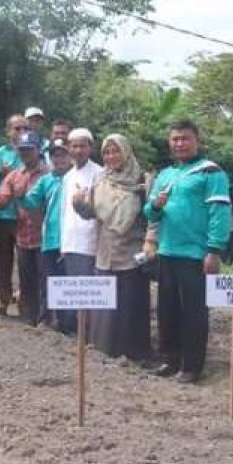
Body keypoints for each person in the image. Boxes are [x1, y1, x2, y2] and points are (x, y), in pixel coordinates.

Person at [144, 120, 231, 383]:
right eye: (175, 139)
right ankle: (170, 360)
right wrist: (156, 206)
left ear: (197, 140)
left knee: (194, 311)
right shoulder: (165, 175)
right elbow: (148, 213)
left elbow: (219, 214)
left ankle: (192, 367)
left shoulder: (211, 173)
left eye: (185, 138)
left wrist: (214, 251)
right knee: (167, 310)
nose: (179, 143)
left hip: (196, 255)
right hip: (167, 252)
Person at [72, 134, 151, 361]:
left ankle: (134, 354)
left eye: (116, 151)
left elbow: (153, 217)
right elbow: (91, 213)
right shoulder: (100, 182)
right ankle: (104, 352)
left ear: (126, 152)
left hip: (132, 254)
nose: (111, 156)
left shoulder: (142, 181)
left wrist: (151, 241)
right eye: (107, 152)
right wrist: (78, 203)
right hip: (105, 253)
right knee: (104, 310)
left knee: (129, 305)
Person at [0, 130, 48, 325]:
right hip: (23, 235)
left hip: (44, 237)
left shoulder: (48, 175)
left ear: (38, 150)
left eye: (29, 149)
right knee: (26, 279)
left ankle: (45, 318)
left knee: (43, 279)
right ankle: (29, 316)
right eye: (22, 150)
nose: (25, 153)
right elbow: (1, 202)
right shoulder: (13, 176)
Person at [19, 138, 71, 329]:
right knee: (49, 281)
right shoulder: (46, 180)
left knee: (70, 283)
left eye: (62, 155)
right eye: (54, 155)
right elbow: (31, 202)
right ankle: (48, 319)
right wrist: (21, 196)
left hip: (72, 240)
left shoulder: (76, 177)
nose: (58, 159)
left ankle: (67, 324)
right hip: (50, 238)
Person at [58, 127, 104, 335]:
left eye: (82, 145)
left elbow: (100, 210)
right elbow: (64, 212)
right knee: (73, 288)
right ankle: (74, 332)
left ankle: (88, 333)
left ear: (90, 148)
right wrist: (62, 243)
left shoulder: (100, 173)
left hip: (89, 241)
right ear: (68, 148)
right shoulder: (68, 176)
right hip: (70, 241)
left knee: (88, 290)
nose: (78, 150)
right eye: (74, 146)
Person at [0, 114, 27, 314]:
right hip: (2, 214)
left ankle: (25, 298)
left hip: (24, 216)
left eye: (24, 128)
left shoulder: (31, 152)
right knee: (2, 258)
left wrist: (14, 175)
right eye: (16, 128)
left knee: (25, 259)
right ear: (7, 131)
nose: (20, 133)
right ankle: (3, 297)